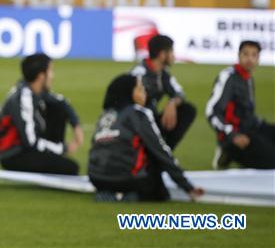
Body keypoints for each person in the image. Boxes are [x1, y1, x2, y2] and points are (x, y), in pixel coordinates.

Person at [88, 75, 204, 202]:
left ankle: (111, 193)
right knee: (158, 189)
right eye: (140, 89)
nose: (144, 93)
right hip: (127, 179)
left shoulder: (104, 116)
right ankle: (128, 195)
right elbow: (160, 151)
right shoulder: (139, 113)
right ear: (129, 93)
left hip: (97, 179)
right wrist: (188, 187)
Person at [0, 54, 83, 175]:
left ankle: (53, 158)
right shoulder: (23, 98)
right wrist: (63, 148)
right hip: (14, 155)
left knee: (57, 107)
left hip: (25, 147)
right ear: (41, 76)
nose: (53, 76)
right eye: (50, 71)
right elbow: (31, 142)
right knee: (71, 168)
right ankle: (54, 159)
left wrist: (76, 125)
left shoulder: (32, 90)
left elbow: (61, 102)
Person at [206, 40, 275, 169]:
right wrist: (232, 135)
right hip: (236, 136)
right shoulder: (228, 77)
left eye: (254, 55)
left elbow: (246, 113)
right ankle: (227, 149)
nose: (250, 59)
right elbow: (212, 111)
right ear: (238, 55)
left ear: (258, 59)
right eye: (246, 54)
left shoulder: (248, 78)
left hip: (250, 128)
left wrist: (264, 125)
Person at [129, 34, 195, 150]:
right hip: (137, 124)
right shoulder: (139, 73)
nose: (174, 56)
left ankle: (163, 152)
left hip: (151, 120)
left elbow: (179, 93)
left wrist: (172, 103)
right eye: (171, 51)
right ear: (162, 54)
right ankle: (155, 153)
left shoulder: (163, 74)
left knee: (187, 110)